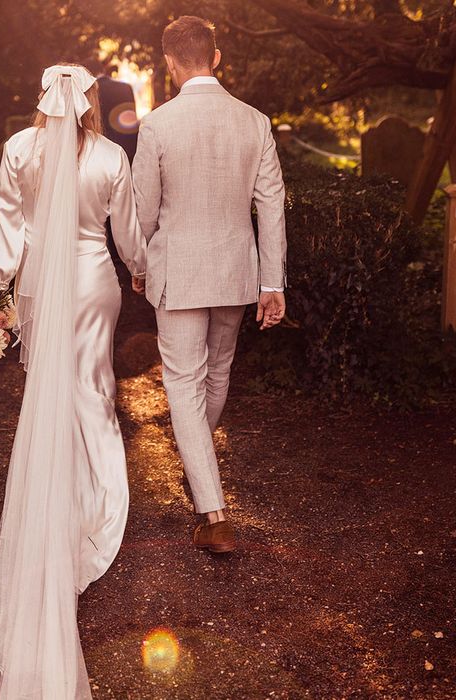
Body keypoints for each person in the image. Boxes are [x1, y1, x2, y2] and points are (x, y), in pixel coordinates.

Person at [0, 64, 146, 699]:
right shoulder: (107, 155)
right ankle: (97, 499)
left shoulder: (20, 149)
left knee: (48, 384)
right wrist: (140, 268)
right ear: (91, 102)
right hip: (94, 280)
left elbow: (8, 225)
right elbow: (126, 228)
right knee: (93, 390)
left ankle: (55, 484)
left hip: (39, 286)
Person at [132, 16, 287, 554]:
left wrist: (141, 260)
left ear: (171, 62)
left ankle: (214, 512)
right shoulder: (255, 122)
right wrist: (273, 282)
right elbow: (270, 205)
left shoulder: (156, 125)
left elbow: (144, 210)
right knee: (216, 372)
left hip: (179, 270)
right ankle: (201, 475)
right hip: (236, 272)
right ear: (216, 58)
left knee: (182, 384)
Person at [84, 57, 139, 163]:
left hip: (102, 154)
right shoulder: (126, 88)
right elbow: (131, 123)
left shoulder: (90, 92)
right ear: (103, 70)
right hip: (128, 149)